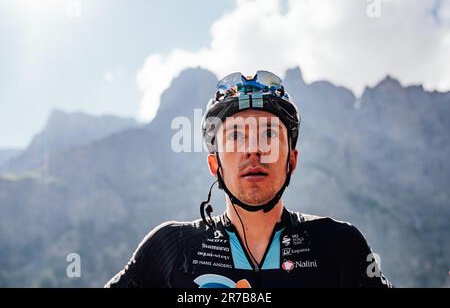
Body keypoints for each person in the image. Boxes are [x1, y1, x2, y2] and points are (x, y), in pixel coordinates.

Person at [105, 70, 392, 288]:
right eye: (235, 137)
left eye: (269, 135)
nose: (253, 150)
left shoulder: (340, 245)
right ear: (214, 164)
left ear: (291, 161)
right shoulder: (170, 246)